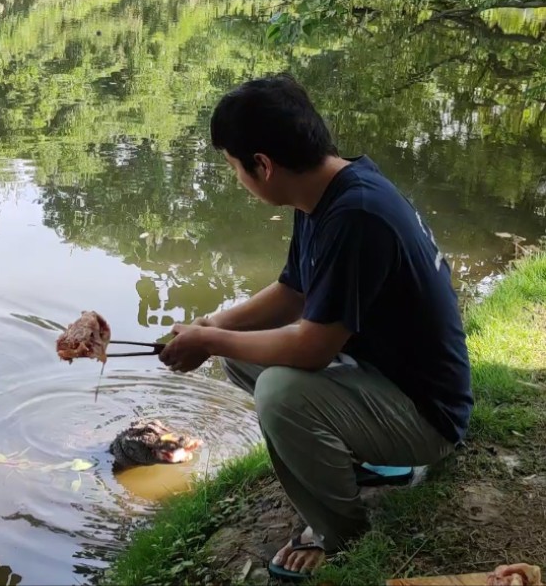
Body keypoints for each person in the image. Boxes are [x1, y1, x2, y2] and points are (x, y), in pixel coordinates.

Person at [157, 73, 473, 581]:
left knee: (281, 392)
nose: (237, 179)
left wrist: (211, 340)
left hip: (427, 415)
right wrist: (210, 326)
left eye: (234, 167)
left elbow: (311, 350)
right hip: (383, 376)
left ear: (262, 165)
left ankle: (339, 533)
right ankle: (354, 459)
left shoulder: (357, 216)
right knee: (242, 352)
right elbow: (293, 293)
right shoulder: (327, 190)